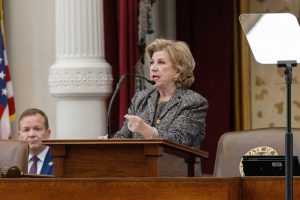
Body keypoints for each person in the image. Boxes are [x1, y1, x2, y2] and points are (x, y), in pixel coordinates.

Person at [101, 38, 208, 151]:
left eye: (161, 62)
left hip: (176, 167)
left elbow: (180, 140)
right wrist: (109, 142)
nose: (153, 68)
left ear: (178, 71)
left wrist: (147, 130)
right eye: (152, 62)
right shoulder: (141, 98)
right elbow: (124, 135)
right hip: (138, 166)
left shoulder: (193, 102)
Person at [18, 108, 54, 175]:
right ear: (19, 136)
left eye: (37, 129)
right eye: (26, 130)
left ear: (48, 133)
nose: (31, 134)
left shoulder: (59, 159)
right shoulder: (13, 161)